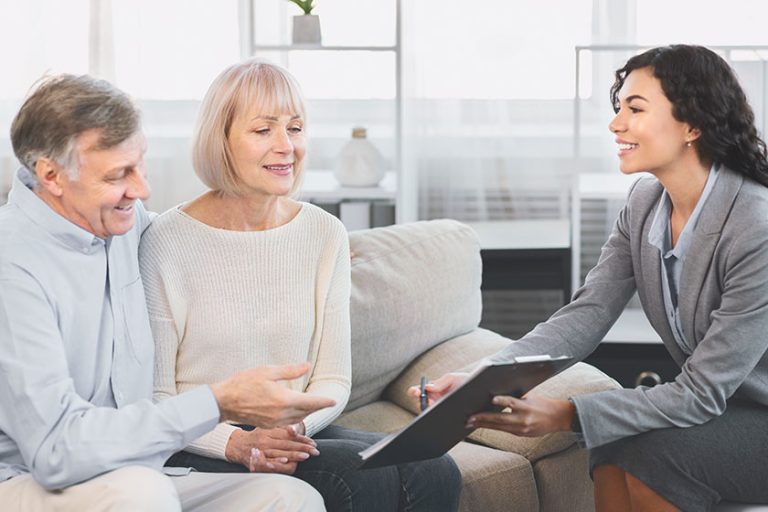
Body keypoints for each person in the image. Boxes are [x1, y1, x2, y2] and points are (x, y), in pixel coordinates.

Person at [412, 45, 768, 512]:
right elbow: (589, 312)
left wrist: (564, 414)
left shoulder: (756, 228)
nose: (616, 123)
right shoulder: (644, 203)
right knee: (612, 444)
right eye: (618, 107)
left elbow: (701, 393)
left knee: (653, 457)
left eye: (635, 109)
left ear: (693, 125)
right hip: (723, 408)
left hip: (755, 416)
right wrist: (484, 379)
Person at [139, 59, 462, 511]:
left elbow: (332, 377)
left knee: (434, 466)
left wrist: (293, 431)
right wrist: (233, 442)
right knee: (355, 480)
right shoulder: (166, 242)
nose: (285, 146)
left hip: (298, 429)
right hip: (200, 441)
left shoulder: (323, 233)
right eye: (263, 130)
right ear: (221, 140)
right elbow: (154, 395)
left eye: (295, 128)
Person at [0, 74, 334, 511]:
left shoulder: (118, 220)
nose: (142, 191)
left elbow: (190, 243)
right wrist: (218, 402)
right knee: (141, 494)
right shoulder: (13, 266)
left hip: (136, 474)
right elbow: (58, 454)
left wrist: (274, 240)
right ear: (51, 175)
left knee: (289, 499)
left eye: (141, 166)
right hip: (32, 482)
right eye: (120, 174)